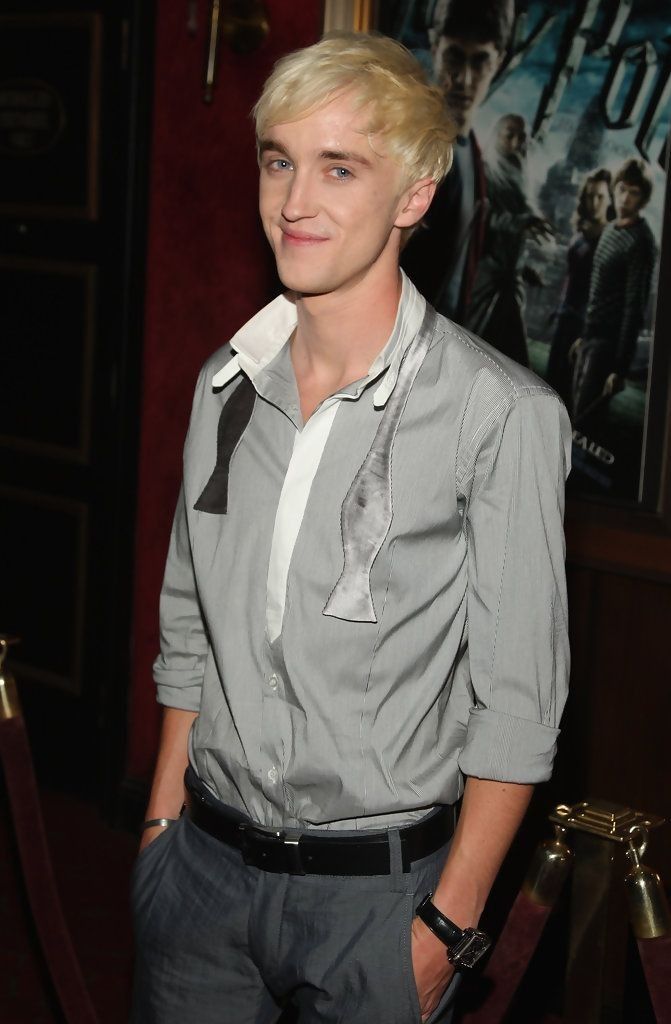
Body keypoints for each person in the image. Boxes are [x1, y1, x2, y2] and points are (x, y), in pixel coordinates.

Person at [131, 32, 571, 1024]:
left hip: (378, 901)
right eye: (279, 159)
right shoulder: (225, 385)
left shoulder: (497, 414)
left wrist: (447, 929)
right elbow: (188, 628)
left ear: (412, 194)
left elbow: (516, 701)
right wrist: (161, 827)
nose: (295, 201)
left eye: (339, 168)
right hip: (199, 873)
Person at [401, 0, 515, 322]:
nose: (464, 79)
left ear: (498, 63)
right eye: (454, 56)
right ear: (436, 47)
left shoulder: (470, 150)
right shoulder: (414, 148)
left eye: (480, 62)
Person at [572, 158, 655, 426]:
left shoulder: (641, 241)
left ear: (643, 198)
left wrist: (619, 368)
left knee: (585, 424)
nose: (625, 198)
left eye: (634, 193)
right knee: (571, 415)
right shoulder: (609, 230)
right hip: (591, 338)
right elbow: (598, 291)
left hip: (608, 346)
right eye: (621, 189)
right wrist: (584, 336)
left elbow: (634, 306)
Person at [465, 113, 553, 366]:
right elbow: (481, 215)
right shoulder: (486, 172)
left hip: (507, 282)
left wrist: (523, 269)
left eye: (522, 137)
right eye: (510, 136)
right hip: (485, 281)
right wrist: (520, 223)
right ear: (497, 137)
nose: (517, 143)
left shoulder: (520, 176)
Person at [545, 168, 613, 409]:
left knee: (571, 397)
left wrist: (587, 334)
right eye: (590, 196)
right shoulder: (580, 233)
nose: (594, 202)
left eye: (600, 197)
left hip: (586, 325)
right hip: (566, 318)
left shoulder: (609, 239)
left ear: (609, 199)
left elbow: (605, 293)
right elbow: (571, 278)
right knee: (549, 388)